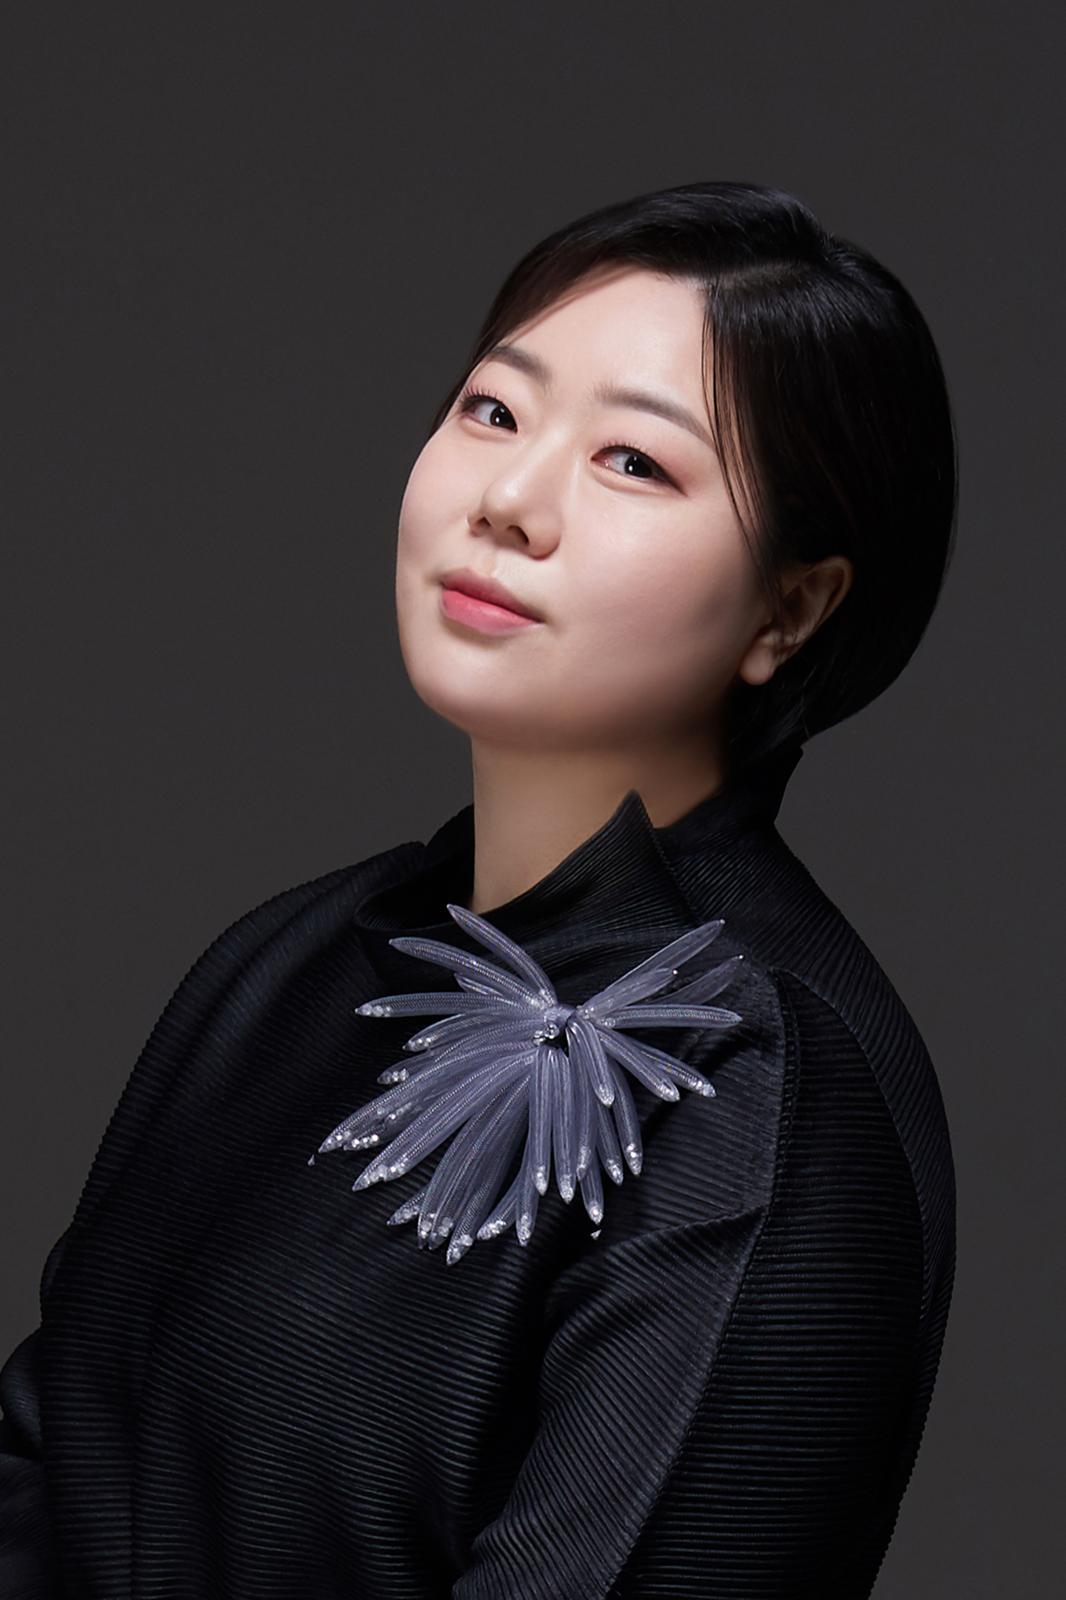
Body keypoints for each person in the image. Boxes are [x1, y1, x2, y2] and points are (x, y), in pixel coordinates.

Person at [1, 180, 958, 1597]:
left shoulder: (761, 1084)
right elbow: (44, 1470)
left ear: (790, 607)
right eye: (493, 411)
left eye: (632, 461)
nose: (508, 502)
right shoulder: (292, 960)